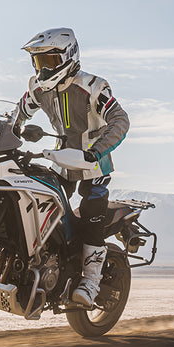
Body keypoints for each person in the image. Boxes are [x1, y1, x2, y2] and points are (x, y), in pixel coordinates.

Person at [16, 27, 130, 307]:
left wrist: (96, 152)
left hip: (93, 164)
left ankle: (90, 283)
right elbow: (15, 114)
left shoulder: (93, 87)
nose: (44, 70)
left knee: (92, 214)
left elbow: (120, 120)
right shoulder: (37, 88)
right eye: (39, 63)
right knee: (35, 196)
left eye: (50, 62)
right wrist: (0, 131)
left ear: (69, 57)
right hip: (61, 160)